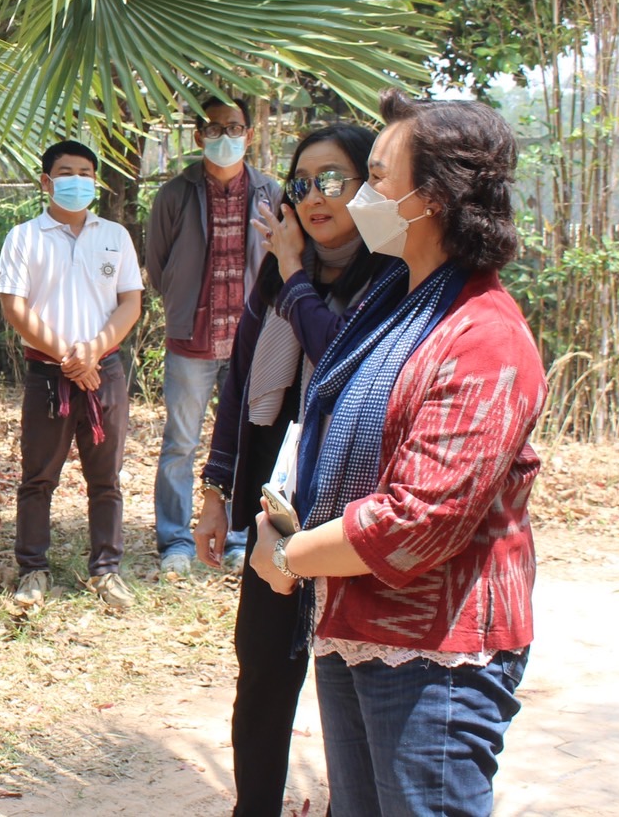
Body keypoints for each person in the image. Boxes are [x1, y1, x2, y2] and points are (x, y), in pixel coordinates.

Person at [249, 92, 543, 817]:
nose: (361, 197)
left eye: (377, 178)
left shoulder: (483, 336)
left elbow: (420, 520)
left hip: (436, 656)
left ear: (431, 199)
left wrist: (288, 559)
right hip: (351, 623)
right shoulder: (393, 301)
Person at [193, 123, 383, 817]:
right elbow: (241, 385)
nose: (314, 197)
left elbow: (342, 362)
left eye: (333, 180)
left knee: (351, 680)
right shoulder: (277, 273)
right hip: (280, 509)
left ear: (369, 186)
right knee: (264, 674)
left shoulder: (396, 276)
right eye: (301, 184)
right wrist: (216, 492)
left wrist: (298, 275)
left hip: (355, 515)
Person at [0, 140, 143, 610]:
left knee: (107, 478)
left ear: (95, 181)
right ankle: (33, 571)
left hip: (107, 371)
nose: (77, 180)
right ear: (46, 182)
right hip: (48, 375)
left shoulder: (115, 236)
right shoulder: (24, 237)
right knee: (38, 477)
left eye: (85, 172)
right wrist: (68, 357)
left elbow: (130, 303)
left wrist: (94, 352)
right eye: (66, 172)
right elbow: (14, 307)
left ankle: (106, 570)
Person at [146, 96, 280, 575]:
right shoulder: (175, 194)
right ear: (199, 135)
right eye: (215, 127)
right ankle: (176, 543)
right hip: (193, 341)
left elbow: (282, 263)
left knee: (249, 442)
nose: (226, 136)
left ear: (249, 133)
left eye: (235, 127)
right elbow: (159, 268)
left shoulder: (270, 192)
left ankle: (242, 536)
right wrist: (184, 304)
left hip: (254, 345)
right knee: (180, 444)